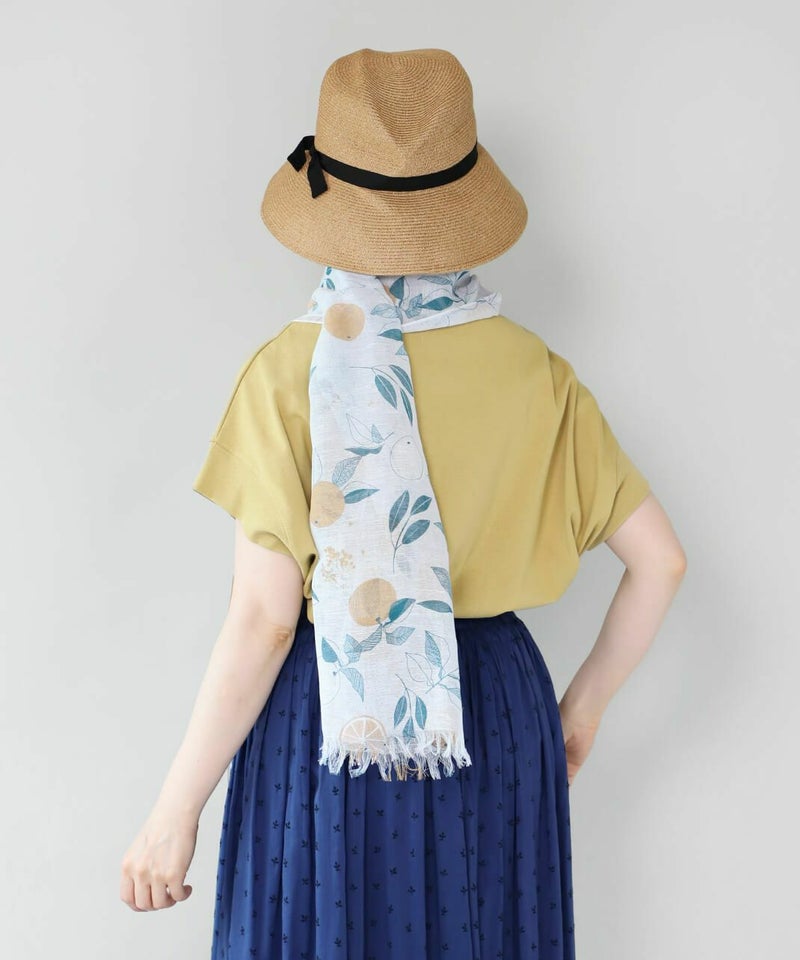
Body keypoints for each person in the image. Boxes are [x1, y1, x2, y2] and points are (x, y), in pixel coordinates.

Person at [119, 47, 687, 959]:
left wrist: (172, 813)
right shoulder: (536, 373)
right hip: (495, 715)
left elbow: (267, 621)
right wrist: (577, 713)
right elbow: (661, 562)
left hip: (332, 719)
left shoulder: (290, 374)